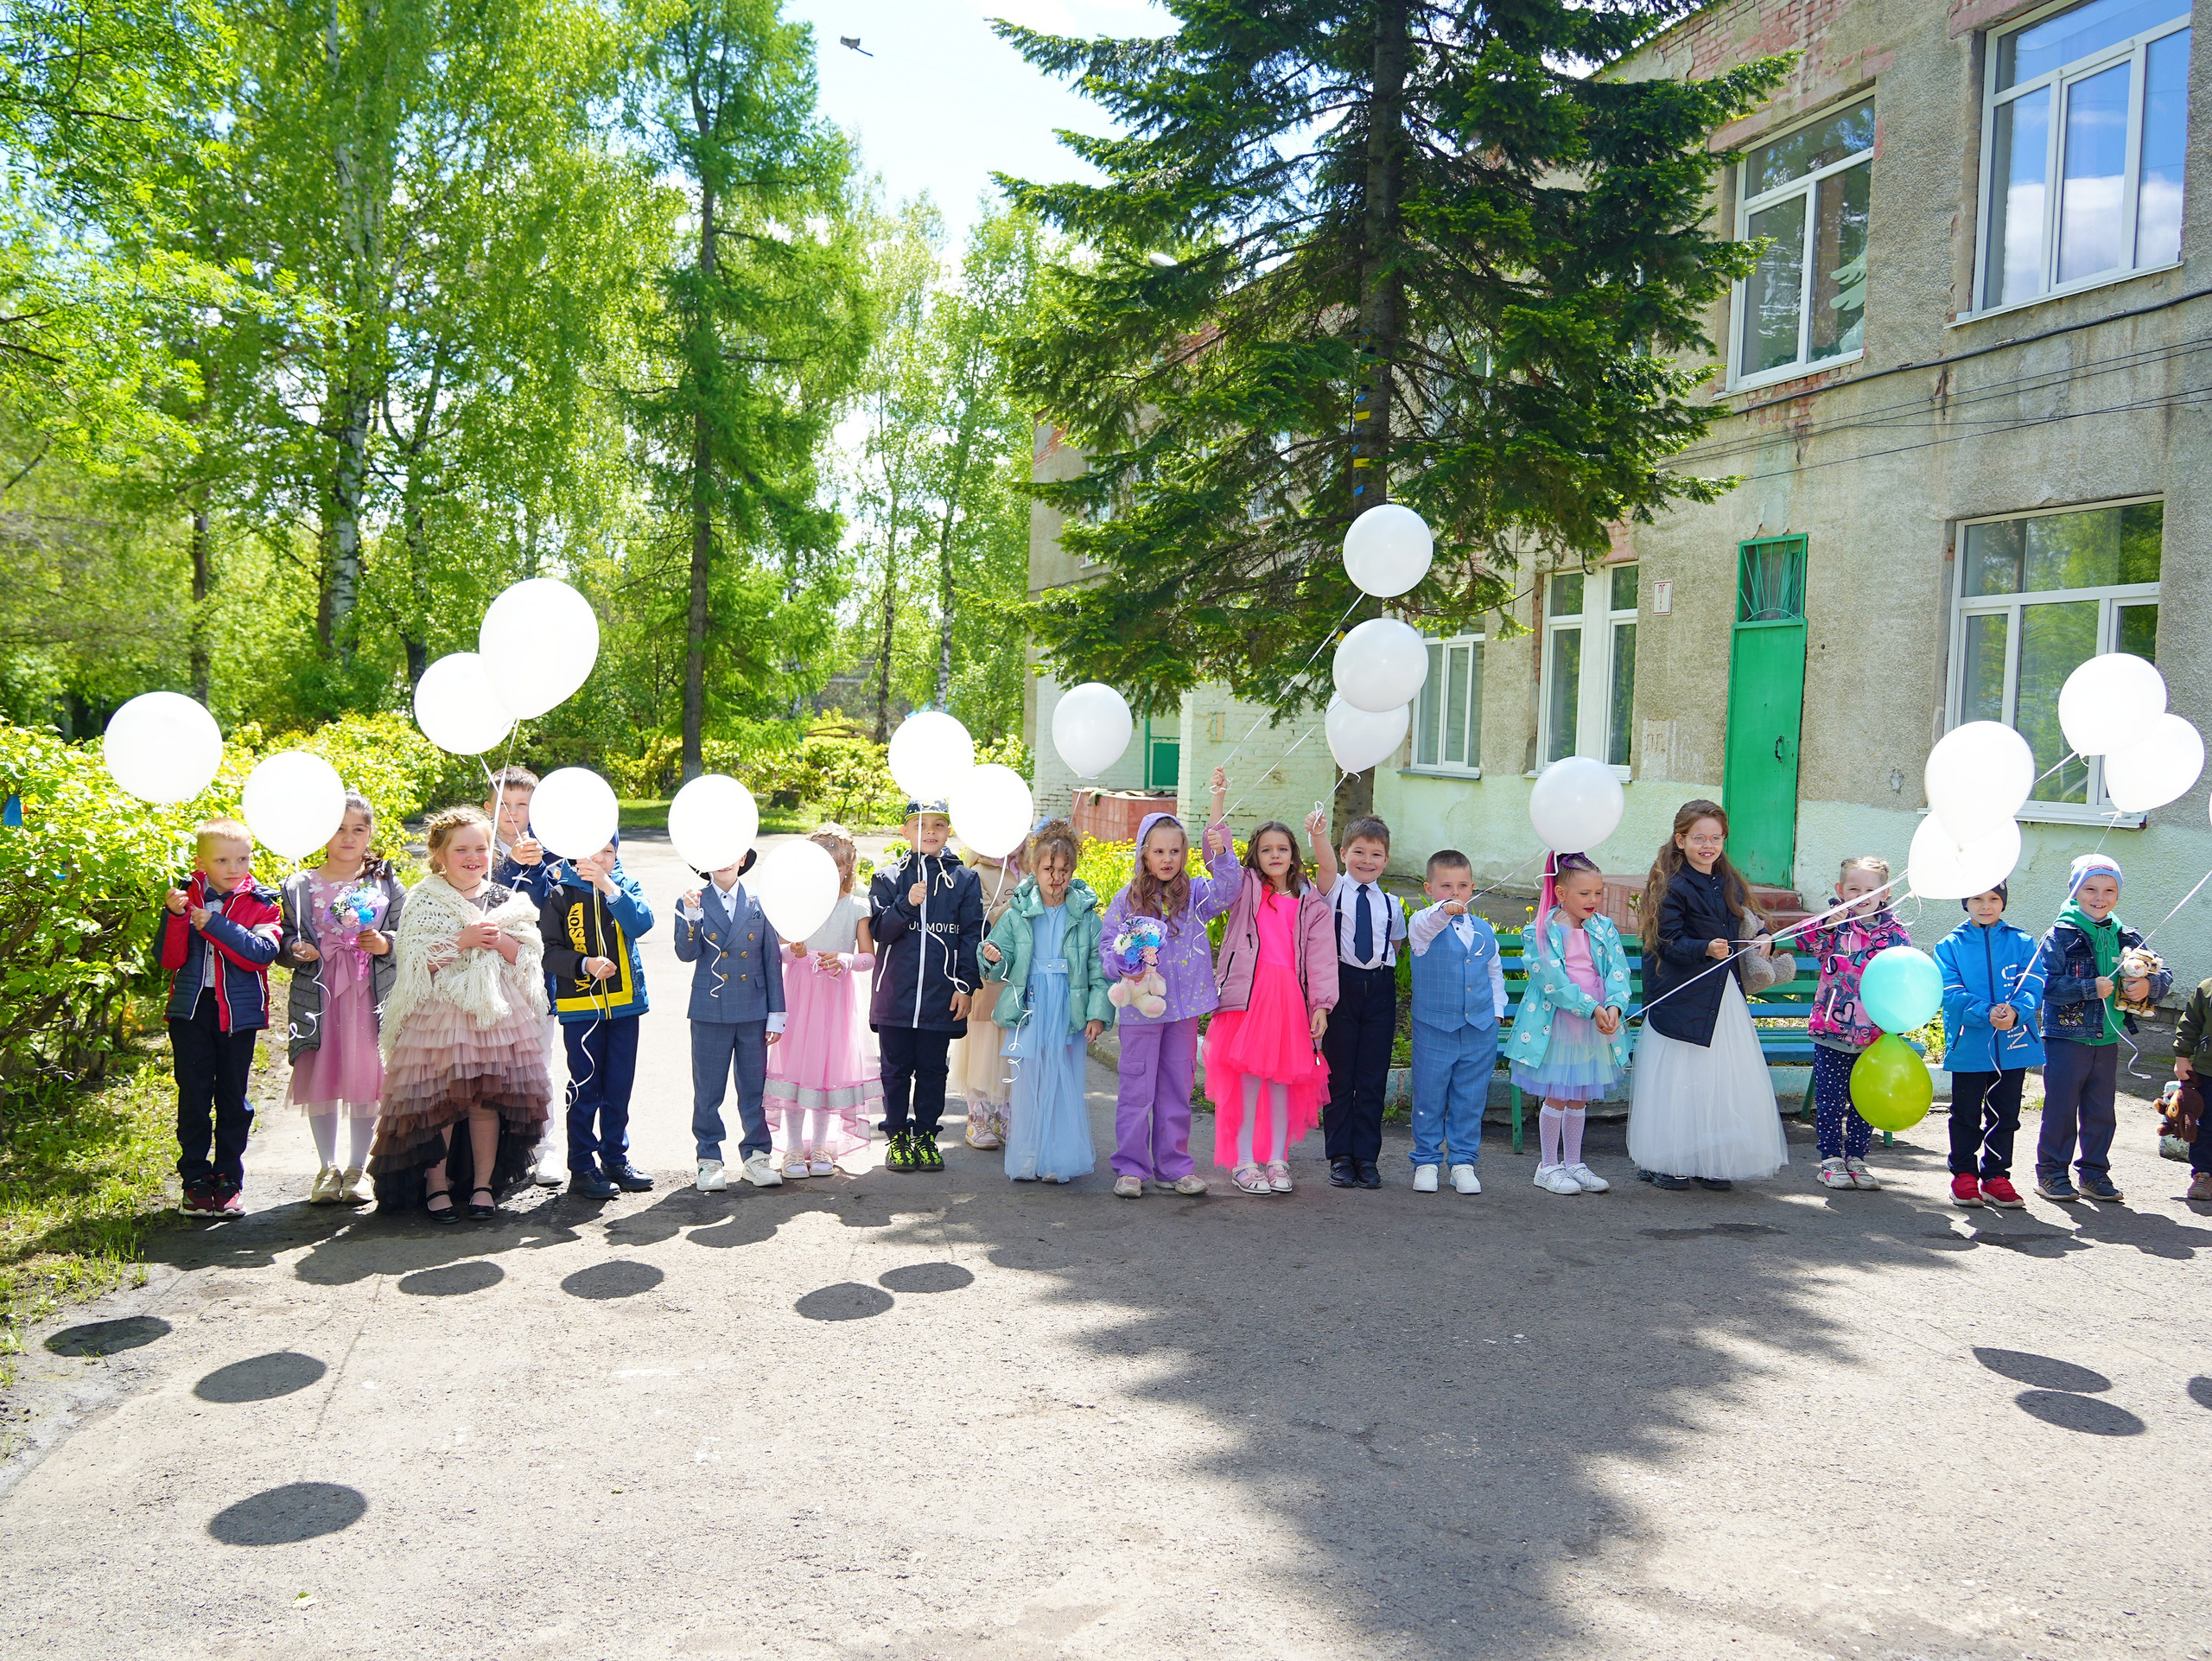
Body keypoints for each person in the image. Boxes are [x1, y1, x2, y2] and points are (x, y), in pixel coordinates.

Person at [372, 805, 550, 1219]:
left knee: (485, 1102)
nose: (473, 857)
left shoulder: (506, 899)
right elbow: (416, 961)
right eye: (461, 850)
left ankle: (483, 1185)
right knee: (441, 1102)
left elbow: (528, 957)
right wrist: (463, 940)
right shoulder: (425, 898)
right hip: (440, 1017)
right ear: (439, 854)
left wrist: (500, 940)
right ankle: (437, 1185)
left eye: (481, 849)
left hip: (496, 1017)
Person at [1626, 800, 1789, 1193]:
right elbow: (1665, 942)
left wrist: (1764, 935)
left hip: (1721, 995)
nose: (1708, 846)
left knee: (1720, 1079)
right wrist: (1704, 949)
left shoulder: (1728, 880)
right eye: (1699, 838)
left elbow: (1752, 918)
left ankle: (1712, 1159)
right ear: (1681, 840)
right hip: (1680, 997)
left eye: (1716, 838)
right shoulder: (1671, 885)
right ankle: (1670, 1160)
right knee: (1679, 1080)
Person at [1096, 770, 1239, 1197]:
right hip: (1140, 1009)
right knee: (1136, 1089)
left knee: (1177, 1088)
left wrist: (1221, 844)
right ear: (1144, 853)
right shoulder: (1127, 900)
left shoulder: (1195, 896)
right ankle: (1131, 1168)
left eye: (1175, 851)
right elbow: (1107, 949)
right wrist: (1124, 963)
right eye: (1158, 851)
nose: (1167, 859)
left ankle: (1174, 1167)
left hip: (1185, 1006)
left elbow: (1228, 889)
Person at [276, 792, 406, 1206]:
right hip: (320, 993)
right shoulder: (299, 885)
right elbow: (285, 936)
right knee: (323, 1072)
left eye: (358, 829)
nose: (349, 838)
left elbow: (407, 932)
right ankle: (326, 1167)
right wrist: (294, 949)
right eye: (339, 829)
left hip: (368, 991)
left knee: (365, 1074)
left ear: (370, 834)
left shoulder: (385, 882)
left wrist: (385, 943)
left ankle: (356, 1168)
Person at [1207, 814, 1338, 1195]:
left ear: (1294, 855)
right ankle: (1244, 1160)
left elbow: (1321, 957)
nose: (1275, 855)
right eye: (1266, 850)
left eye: (1282, 849)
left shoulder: (1308, 899)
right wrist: (1218, 802)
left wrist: (1321, 1005)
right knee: (1247, 1084)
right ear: (1255, 855)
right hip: (1249, 998)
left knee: (1283, 1083)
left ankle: (1278, 1159)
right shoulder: (1245, 886)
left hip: (1290, 1001)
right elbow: (1218, 859)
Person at [161, 818, 283, 1216]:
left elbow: (260, 955)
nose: (234, 868)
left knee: (233, 1097)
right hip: (192, 1011)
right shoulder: (183, 898)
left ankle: (229, 1179)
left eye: (242, 859)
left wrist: (215, 924)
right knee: (194, 1095)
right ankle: (195, 1180)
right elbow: (169, 959)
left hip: (238, 1015)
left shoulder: (263, 902)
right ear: (201, 862)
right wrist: (176, 918)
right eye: (222, 860)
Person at [2035, 854, 2169, 1204]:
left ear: (2118, 894)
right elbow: (2044, 985)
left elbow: (2163, 973)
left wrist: (2149, 986)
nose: (2100, 897)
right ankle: (2051, 1173)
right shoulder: (2060, 935)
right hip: (2067, 1037)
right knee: (2061, 1109)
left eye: (2109, 890)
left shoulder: (2127, 935)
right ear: (2074, 892)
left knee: (2101, 1111)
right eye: (2090, 888)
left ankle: (2093, 1173)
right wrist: (2088, 988)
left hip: (2108, 1039)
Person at [982, 818, 1109, 1184]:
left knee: (1062, 1080)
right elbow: (1001, 958)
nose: (1056, 877)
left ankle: (1057, 1156)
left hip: (1067, 1005)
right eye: (1048, 869)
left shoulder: (1085, 916)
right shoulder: (1018, 913)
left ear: (1073, 871)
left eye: (1064, 870)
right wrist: (992, 957)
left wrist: (1097, 1013)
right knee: (1029, 1082)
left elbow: (1098, 967)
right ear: (1034, 868)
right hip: (1032, 1005)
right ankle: (1029, 1153)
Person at [1503, 852, 1630, 1196]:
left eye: (1598, 893)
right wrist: (1591, 1008)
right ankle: (1547, 1166)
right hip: (1559, 1024)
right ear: (1560, 893)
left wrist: (1614, 1006)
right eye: (1584, 893)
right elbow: (1553, 982)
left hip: (1595, 1025)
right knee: (1559, 1093)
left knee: (1579, 1096)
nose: (1593, 900)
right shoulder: (1540, 932)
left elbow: (1618, 970)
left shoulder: (1603, 927)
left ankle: (1574, 1162)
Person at [539, 831, 656, 1200]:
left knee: (619, 1085)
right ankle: (582, 1165)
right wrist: (584, 964)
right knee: (585, 1086)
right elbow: (548, 951)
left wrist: (610, 888)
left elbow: (641, 924)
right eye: (592, 852)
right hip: (580, 1008)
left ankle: (615, 1158)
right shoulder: (560, 892)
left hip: (625, 1004)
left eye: (608, 851)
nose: (600, 859)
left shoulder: (625, 886)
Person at [868, 800, 983, 1173]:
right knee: (895, 1070)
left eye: (938, 824)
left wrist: (966, 986)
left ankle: (926, 1137)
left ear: (949, 830)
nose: (930, 831)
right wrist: (906, 904)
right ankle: (897, 1137)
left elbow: (971, 935)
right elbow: (880, 931)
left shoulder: (965, 880)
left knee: (933, 1070)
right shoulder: (888, 877)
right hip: (895, 996)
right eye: (920, 825)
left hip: (941, 995)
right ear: (904, 831)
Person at [766, 825, 879, 1178]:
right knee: (797, 1068)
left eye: (837, 865)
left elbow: (868, 958)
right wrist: (793, 950)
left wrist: (846, 960)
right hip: (799, 992)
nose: (830, 872)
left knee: (827, 1069)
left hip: (835, 996)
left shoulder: (856, 906)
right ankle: (793, 1148)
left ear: (848, 868)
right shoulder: (794, 903)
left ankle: (820, 1145)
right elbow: (777, 951)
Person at [1305, 810, 1408, 1190]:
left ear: (1386, 859)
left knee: (1371, 1078)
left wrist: (1379, 977)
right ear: (1344, 853)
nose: (1367, 861)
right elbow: (1323, 865)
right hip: (1341, 986)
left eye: (1376, 854)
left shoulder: (1392, 903)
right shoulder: (1333, 890)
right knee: (1339, 1076)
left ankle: (1366, 1157)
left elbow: (1395, 943)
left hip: (1379, 989)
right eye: (1359, 852)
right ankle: (1340, 1157)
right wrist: (1318, 834)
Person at [676, 846, 786, 1191]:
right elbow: (686, 953)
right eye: (716, 852)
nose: (724, 860)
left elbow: (771, 960)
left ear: (742, 859)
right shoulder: (692, 900)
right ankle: (708, 1159)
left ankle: (757, 1156)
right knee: (708, 1091)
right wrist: (691, 917)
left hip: (753, 1009)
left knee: (754, 1089)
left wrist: (777, 1013)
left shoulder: (761, 900)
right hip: (710, 1009)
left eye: (731, 852)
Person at [1802, 856, 1912, 1193]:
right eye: (1853, 889)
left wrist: (1898, 1020)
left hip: (1876, 1034)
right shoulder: (1834, 925)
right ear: (1840, 890)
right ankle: (1830, 1159)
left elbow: (1904, 977)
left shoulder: (1896, 933)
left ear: (1885, 893)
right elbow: (1807, 942)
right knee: (1832, 1099)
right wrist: (1827, 924)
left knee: (1865, 1099)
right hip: (1833, 1030)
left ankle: (1858, 1158)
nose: (1861, 896)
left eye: (1870, 890)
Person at [1935, 881, 2044, 1209]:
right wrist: (1986, 1012)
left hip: (2013, 1045)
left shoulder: (2022, 942)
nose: (1986, 905)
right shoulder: (1949, 945)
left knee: (2005, 1115)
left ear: (2003, 902)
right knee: (1965, 1114)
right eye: (1977, 898)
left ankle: (1996, 1176)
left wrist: (2016, 1011)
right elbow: (1949, 990)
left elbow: (2034, 981)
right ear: (1965, 902)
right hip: (1970, 1045)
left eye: (1994, 898)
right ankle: (1964, 1175)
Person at [482, 764, 564, 1187]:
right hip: (487, 977)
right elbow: (480, 901)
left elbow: (555, 911)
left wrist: (540, 869)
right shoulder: (479, 851)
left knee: (539, 1062)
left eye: (522, 805)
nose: (513, 814)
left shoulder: (552, 852)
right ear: (488, 808)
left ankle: (547, 1148)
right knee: (493, 1066)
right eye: (504, 805)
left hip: (537, 977)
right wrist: (507, 866)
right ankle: (499, 1155)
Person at [1406, 850, 1506, 1196]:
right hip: (1435, 1028)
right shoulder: (1422, 925)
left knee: (1471, 1098)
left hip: (1479, 1028)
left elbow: (1494, 973)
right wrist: (1443, 909)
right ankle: (1426, 1160)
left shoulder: (1484, 929)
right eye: (1446, 886)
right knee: (1429, 1096)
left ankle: (1463, 1162)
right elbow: (1430, 920)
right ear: (1429, 888)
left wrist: (1496, 1012)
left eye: (1462, 886)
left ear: (1472, 888)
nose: (1455, 892)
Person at [953, 838, 1020, 1149]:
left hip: (1018, 975)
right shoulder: (977, 873)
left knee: (1010, 1050)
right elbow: (978, 921)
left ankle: (1004, 1115)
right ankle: (977, 1116)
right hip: (987, 974)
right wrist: (1014, 905)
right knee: (982, 1048)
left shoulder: (1029, 870)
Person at [2174, 971, 2212, 1203]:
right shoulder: (2207, 988)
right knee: (2206, 1126)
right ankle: (2204, 1174)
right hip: (2208, 1070)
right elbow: (2191, 1023)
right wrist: (2182, 1056)